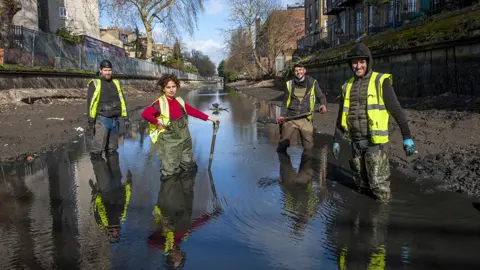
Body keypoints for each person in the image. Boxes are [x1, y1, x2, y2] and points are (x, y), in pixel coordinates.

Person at [332, 43, 416, 202]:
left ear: (368, 62)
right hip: (356, 142)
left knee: (378, 186)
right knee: (362, 185)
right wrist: (336, 139)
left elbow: (397, 110)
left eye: (362, 62)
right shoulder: (347, 86)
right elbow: (341, 115)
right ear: (351, 65)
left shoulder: (380, 81)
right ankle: (365, 222)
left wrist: (407, 136)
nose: (358, 66)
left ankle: (383, 219)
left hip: (375, 142)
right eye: (355, 63)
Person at [141, 73, 219, 176]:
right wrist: (157, 123)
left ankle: (186, 191)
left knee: (190, 168)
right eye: (168, 87)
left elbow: (192, 111)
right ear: (163, 89)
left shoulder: (179, 101)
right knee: (170, 173)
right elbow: (145, 114)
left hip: (184, 139)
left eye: (173, 86)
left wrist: (210, 118)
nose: (172, 90)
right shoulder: (160, 103)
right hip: (169, 141)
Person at [148, 169, 221, 268]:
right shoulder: (180, 238)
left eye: (177, 259)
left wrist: (165, 247)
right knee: (183, 176)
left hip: (167, 203)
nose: (179, 255)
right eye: (181, 258)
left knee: (170, 176)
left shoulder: (163, 243)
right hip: (179, 201)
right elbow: (195, 226)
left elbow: (150, 241)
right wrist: (209, 217)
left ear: (170, 257)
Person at [276, 63, 328, 153]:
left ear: (304, 70)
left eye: (300, 70)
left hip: (305, 118)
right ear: (294, 72)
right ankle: (284, 164)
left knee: (308, 147)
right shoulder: (289, 84)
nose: (298, 72)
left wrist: (323, 105)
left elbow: (321, 97)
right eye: (296, 70)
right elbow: (285, 103)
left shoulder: (312, 82)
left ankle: (306, 166)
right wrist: (282, 115)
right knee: (282, 146)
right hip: (290, 118)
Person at [86, 60, 130, 156]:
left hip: (115, 121)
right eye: (105, 70)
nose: (108, 72)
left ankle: (112, 170)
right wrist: (91, 122)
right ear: (100, 70)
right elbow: (91, 104)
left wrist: (125, 117)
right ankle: (99, 168)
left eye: (109, 70)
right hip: (102, 120)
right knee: (97, 151)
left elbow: (122, 101)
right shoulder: (95, 83)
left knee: (113, 150)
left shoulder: (116, 83)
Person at [89, 153, 132, 243]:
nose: (115, 233)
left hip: (106, 192)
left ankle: (95, 148)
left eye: (114, 235)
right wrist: (129, 185)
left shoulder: (102, 223)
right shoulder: (122, 218)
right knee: (112, 156)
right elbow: (126, 201)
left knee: (98, 162)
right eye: (117, 235)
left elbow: (97, 208)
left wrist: (96, 194)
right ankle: (108, 144)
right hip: (118, 186)